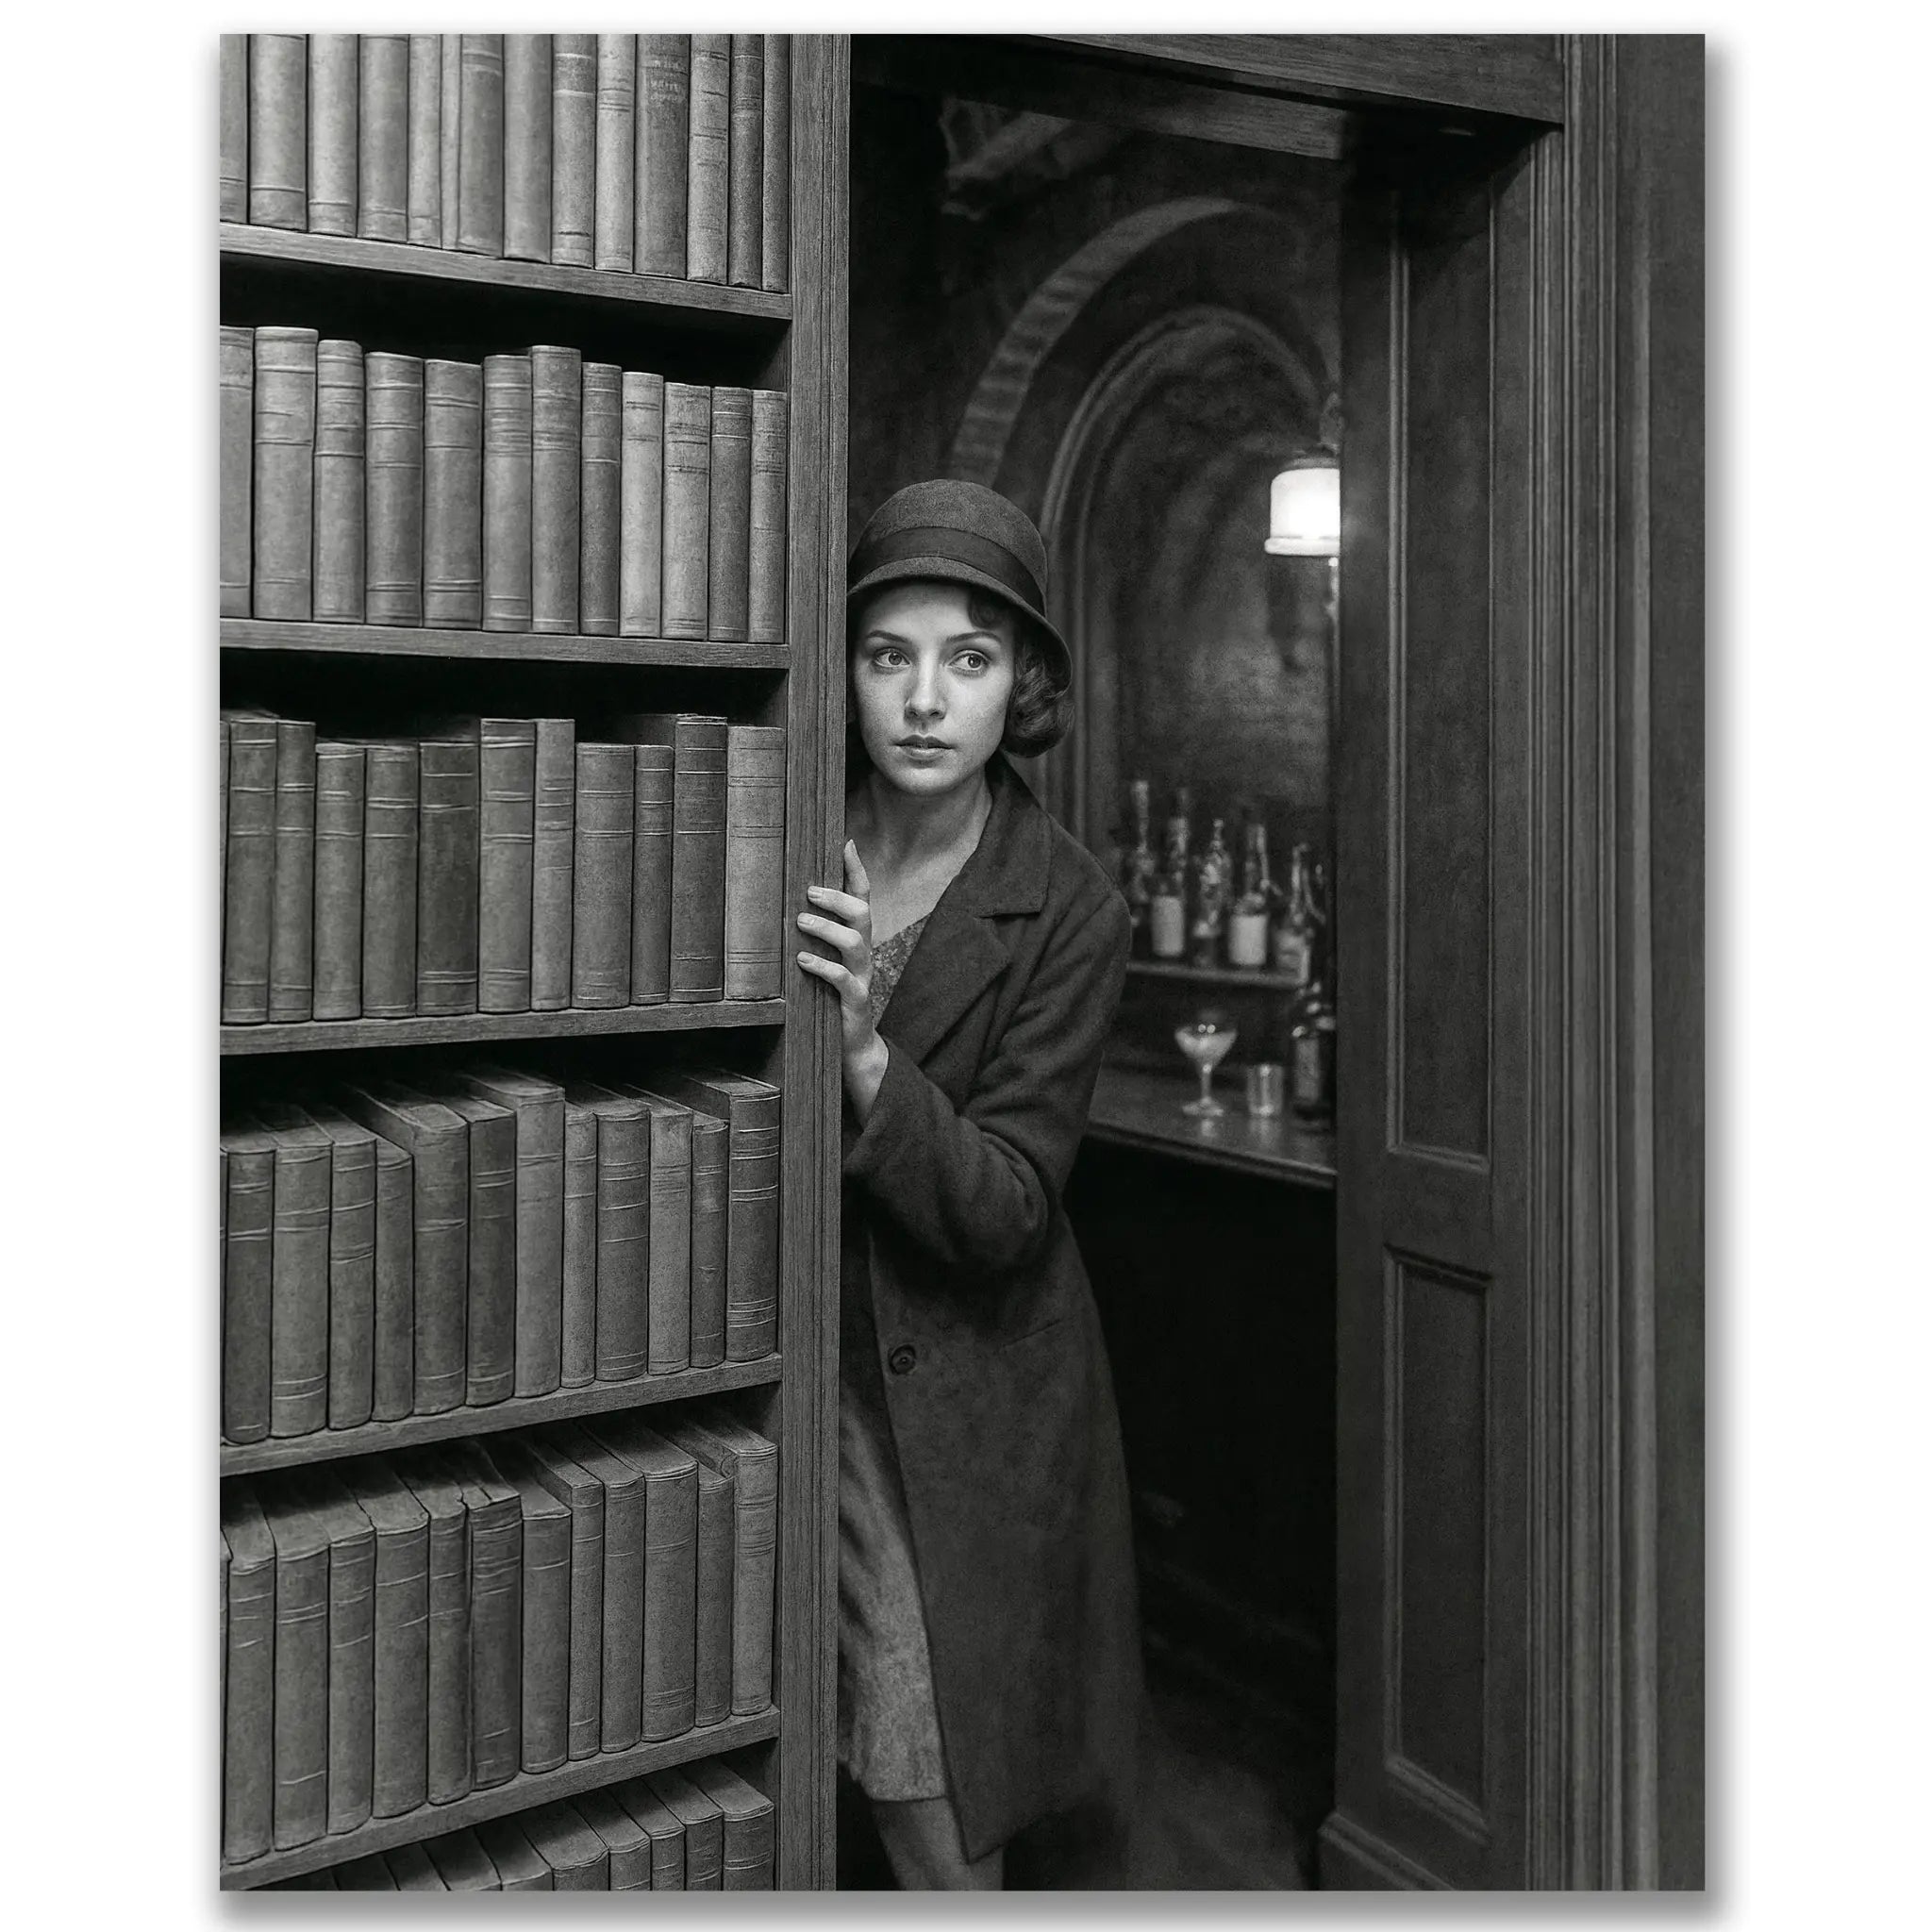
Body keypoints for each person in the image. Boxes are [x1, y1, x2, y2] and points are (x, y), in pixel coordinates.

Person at [793, 478, 1142, 1890]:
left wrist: (869, 1061)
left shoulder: (1069, 907)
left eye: (971, 658)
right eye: (890, 655)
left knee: (924, 1767)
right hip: (772, 1353)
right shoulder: (779, 824)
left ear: (1024, 690)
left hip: (957, 1396)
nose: (925, 699)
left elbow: (1007, 1207)